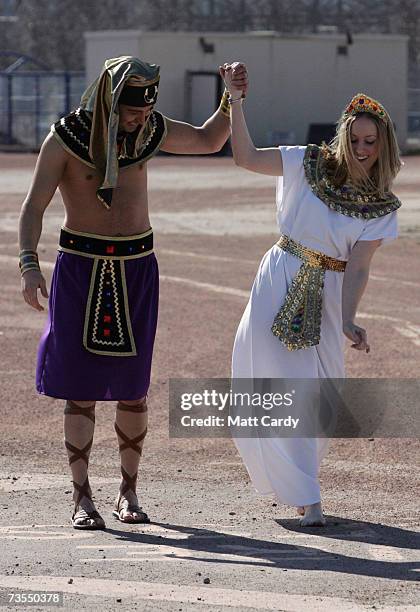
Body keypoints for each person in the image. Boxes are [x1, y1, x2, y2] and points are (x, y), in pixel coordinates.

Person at [19, 56, 247, 530]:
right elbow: (34, 205)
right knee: (79, 390)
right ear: (109, 100)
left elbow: (209, 139)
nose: (140, 119)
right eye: (132, 111)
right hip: (80, 269)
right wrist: (28, 265)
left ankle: (129, 492)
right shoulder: (65, 138)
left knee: (133, 389)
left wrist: (231, 96)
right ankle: (82, 496)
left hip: (136, 270)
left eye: (146, 111)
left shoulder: (149, 131)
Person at [222, 63, 401, 526]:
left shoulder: (381, 205)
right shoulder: (306, 161)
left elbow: (359, 266)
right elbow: (244, 157)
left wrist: (347, 319)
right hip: (281, 275)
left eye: (371, 142)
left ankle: (300, 484)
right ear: (343, 135)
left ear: (383, 145)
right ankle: (309, 497)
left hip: (329, 291)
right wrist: (235, 102)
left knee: (320, 394)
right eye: (356, 139)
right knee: (270, 379)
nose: (362, 149)